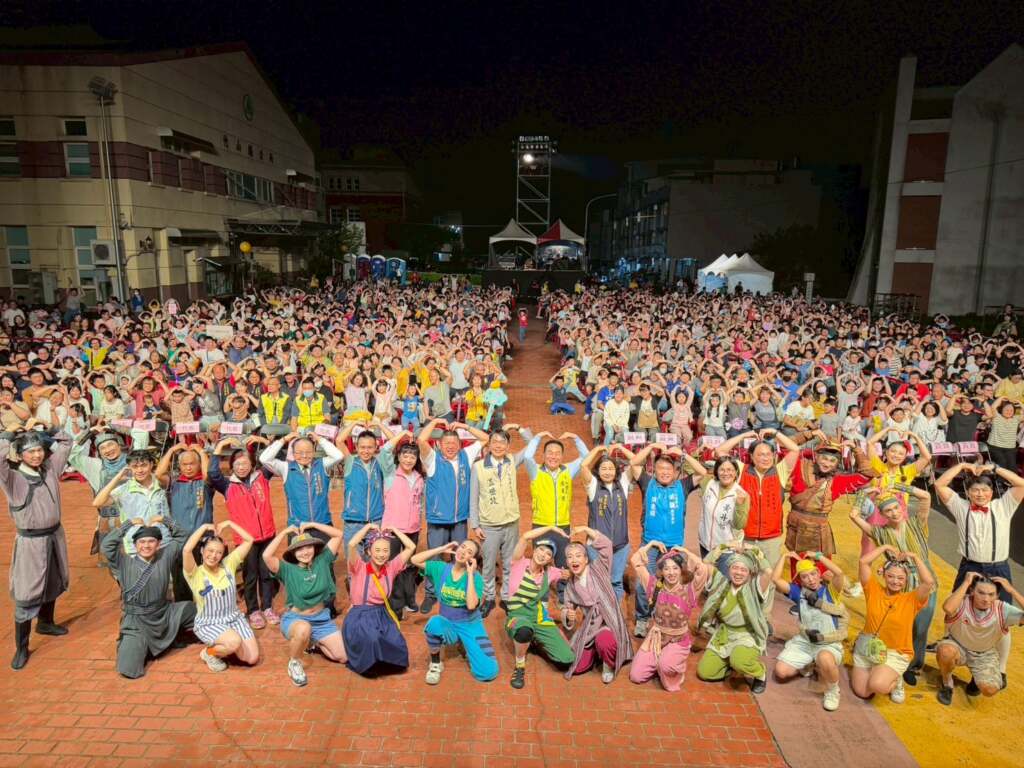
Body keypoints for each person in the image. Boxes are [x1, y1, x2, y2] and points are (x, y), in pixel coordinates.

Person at [934, 461, 1024, 684]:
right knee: (953, 611)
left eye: (985, 490)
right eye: (975, 490)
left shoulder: (1004, 506)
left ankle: (1000, 669)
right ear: (967, 492)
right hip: (970, 567)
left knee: (1001, 620)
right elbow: (940, 484)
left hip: (998, 567)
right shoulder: (961, 506)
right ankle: (950, 648)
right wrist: (963, 465)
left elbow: (1021, 484)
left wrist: (994, 469)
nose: (980, 494)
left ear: (992, 492)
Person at [0, 424, 73, 670]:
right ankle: (21, 647)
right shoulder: (12, 478)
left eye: (39, 450)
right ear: (20, 454)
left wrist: (48, 430)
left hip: (55, 535)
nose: (36, 455)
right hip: (30, 542)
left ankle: (46, 622)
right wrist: (8, 435)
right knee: (27, 591)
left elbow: (66, 443)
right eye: (30, 451)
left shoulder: (50, 469)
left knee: (54, 579)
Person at [849, 486, 936, 686]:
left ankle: (913, 666)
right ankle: (886, 661)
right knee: (896, 623)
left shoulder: (917, 523)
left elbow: (925, 496)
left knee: (921, 626)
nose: (894, 513)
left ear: (902, 507)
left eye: (896, 508)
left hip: (923, 579)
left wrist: (896, 486)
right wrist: (864, 493)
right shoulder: (880, 533)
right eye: (888, 511)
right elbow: (853, 515)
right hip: (899, 581)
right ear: (882, 514)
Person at [101, 516, 196, 679]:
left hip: (164, 614)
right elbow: (106, 546)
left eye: (151, 541)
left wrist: (164, 520)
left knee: (199, 611)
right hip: (137, 622)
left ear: (158, 544)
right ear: (135, 545)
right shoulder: (123, 562)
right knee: (129, 669)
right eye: (142, 542)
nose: (146, 546)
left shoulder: (165, 556)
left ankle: (167, 638)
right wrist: (127, 525)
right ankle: (143, 645)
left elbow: (182, 536)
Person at [629, 443, 707, 637]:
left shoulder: (683, 485)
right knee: (643, 583)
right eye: (660, 468)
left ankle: (667, 615)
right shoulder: (647, 483)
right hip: (650, 544)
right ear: (654, 471)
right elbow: (634, 464)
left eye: (668, 469)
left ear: (674, 471)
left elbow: (702, 472)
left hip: (674, 547)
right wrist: (651, 446)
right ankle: (642, 618)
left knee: (673, 582)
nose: (664, 472)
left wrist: (683, 454)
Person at [262, 523, 348, 687]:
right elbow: (266, 555)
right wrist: (284, 532)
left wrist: (312, 524)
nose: (305, 552)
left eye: (308, 547)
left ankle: (313, 643)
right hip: (297, 619)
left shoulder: (323, 559)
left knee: (343, 656)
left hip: (322, 620)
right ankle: (294, 662)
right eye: (299, 549)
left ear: (314, 548)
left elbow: (338, 534)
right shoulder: (287, 569)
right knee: (303, 629)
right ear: (293, 553)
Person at [207, 438, 280, 629]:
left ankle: (267, 607)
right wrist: (219, 447)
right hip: (246, 541)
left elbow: (272, 457)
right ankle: (253, 610)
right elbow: (212, 473)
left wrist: (264, 442)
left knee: (267, 574)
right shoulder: (227, 486)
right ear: (232, 466)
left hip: (267, 535)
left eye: (245, 463)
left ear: (252, 464)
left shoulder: (262, 477)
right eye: (237, 464)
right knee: (250, 576)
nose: (241, 468)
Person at [418, 419, 488, 613]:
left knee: (461, 556)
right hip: (438, 519)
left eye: (454, 443)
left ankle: (461, 589)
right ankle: (431, 594)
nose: (450, 447)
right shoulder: (432, 459)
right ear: (439, 445)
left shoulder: (466, 455)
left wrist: (465, 427)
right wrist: (435, 422)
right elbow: (421, 440)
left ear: (459, 444)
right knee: (435, 557)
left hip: (460, 519)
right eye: (446, 443)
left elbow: (485, 438)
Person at [851, 544, 934, 704]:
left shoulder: (912, 599)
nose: (895, 581)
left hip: (894, 652)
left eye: (900, 578)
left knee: (877, 685)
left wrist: (915, 557)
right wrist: (884, 547)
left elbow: (928, 582)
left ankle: (896, 680)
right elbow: (863, 562)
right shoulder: (873, 589)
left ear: (906, 580)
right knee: (862, 692)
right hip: (867, 646)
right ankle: (880, 671)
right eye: (891, 576)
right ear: (884, 575)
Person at [412, 538, 498, 684]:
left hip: (470, 625)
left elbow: (471, 605)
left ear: (473, 559)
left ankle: (465, 642)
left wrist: (470, 574)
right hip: (449, 624)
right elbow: (414, 560)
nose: (463, 552)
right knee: (434, 623)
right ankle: (435, 663)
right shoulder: (441, 568)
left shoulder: (476, 578)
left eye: (469, 552)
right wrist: (441, 549)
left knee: (488, 672)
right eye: (462, 547)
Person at [771, 552, 849, 711]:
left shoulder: (831, 591)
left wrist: (819, 556)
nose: (810, 579)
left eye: (813, 574)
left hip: (827, 643)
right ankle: (811, 662)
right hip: (806, 642)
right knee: (781, 672)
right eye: (805, 576)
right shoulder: (798, 593)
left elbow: (839, 573)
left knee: (824, 658)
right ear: (800, 580)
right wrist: (784, 556)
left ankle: (833, 691)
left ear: (819, 575)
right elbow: (775, 579)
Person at [628, 542, 710, 692]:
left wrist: (686, 552)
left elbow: (703, 570)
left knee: (666, 668)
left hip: (678, 640)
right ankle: (660, 661)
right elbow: (635, 561)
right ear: (661, 572)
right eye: (666, 569)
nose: (671, 573)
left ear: (681, 570)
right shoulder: (653, 586)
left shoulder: (690, 590)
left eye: (675, 568)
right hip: (656, 638)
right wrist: (650, 545)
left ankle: (669, 665)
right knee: (636, 676)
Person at [469, 425, 531, 617]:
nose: (498, 445)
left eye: (502, 442)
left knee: (509, 562)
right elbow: (473, 497)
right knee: (488, 564)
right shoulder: (478, 467)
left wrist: (519, 428)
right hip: (489, 525)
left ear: (508, 446)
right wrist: (475, 525)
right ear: (488, 445)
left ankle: (506, 596)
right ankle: (488, 597)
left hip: (511, 523)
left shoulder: (512, 460)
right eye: (494, 442)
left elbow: (532, 445)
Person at [182, 521, 260, 672]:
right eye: (210, 551)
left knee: (252, 658)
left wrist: (230, 523)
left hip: (234, 619)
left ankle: (226, 647)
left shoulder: (228, 564)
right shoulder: (195, 573)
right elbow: (186, 550)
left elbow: (249, 540)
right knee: (233, 642)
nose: (213, 555)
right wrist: (203, 527)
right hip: (209, 623)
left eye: (218, 552)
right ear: (202, 551)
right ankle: (209, 653)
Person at [936, 572, 1024, 705]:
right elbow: (948, 608)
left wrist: (1012, 590)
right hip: (957, 646)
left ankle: (978, 677)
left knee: (990, 690)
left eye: (991, 594)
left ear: (997, 596)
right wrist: (966, 582)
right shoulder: (962, 601)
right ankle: (947, 683)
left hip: (984, 654)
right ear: (972, 591)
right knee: (945, 652)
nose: (986, 599)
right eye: (981, 593)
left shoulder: (1002, 609)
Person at [696, 543, 774, 694]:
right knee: (705, 672)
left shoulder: (754, 587)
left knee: (740, 662)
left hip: (746, 635)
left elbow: (768, 572)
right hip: (724, 635)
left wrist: (755, 551)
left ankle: (760, 673)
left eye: (743, 570)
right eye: (735, 568)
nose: (738, 573)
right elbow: (705, 563)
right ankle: (729, 663)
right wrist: (724, 546)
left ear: (750, 573)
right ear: (729, 569)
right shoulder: (721, 581)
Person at [504, 526, 574, 688]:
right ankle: (520, 665)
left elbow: (570, 573)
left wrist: (569, 573)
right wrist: (551, 528)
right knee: (523, 631)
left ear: (550, 560)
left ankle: (534, 639)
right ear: (535, 549)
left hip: (538, 617)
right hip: (517, 617)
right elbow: (525, 536)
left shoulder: (550, 572)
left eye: (548, 554)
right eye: (541, 549)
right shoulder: (519, 562)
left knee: (567, 659)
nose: (543, 555)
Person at [342, 523, 417, 675]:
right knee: (373, 638)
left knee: (397, 642)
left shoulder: (391, 567)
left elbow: (411, 547)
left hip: (382, 614)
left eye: (385, 550)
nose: (381, 554)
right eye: (377, 550)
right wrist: (367, 527)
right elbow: (351, 544)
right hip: (360, 616)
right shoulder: (359, 566)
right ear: (368, 551)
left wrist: (395, 530)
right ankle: (366, 664)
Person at [562, 526, 634, 683]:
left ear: (586, 559)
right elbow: (567, 608)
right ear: (567, 562)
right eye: (570, 557)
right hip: (590, 627)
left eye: (578, 556)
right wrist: (568, 615)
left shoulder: (599, 568)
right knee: (577, 667)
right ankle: (595, 650)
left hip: (609, 623)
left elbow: (606, 545)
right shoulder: (570, 586)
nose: (574, 560)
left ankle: (608, 664)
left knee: (605, 642)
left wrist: (585, 529)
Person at [785, 436, 872, 559]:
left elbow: (867, 474)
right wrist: (808, 434)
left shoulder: (837, 481)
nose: (827, 464)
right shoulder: (799, 467)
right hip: (795, 527)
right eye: (824, 458)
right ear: (816, 456)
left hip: (818, 531)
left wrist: (856, 449)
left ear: (837, 464)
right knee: (798, 565)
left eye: (832, 461)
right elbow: (785, 448)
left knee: (822, 567)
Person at [156, 443, 213, 602]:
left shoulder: (206, 483)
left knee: (204, 580)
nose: (188, 468)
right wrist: (171, 450)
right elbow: (159, 474)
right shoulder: (174, 483)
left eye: (192, 463)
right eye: (184, 464)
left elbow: (208, 473)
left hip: (202, 540)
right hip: (180, 541)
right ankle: (184, 610)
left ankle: (206, 609)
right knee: (181, 581)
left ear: (199, 464)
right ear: (179, 466)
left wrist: (201, 452)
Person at [377, 430, 425, 615]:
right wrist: (403, 434)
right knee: (393, 567)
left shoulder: (419, 477)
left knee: (409, 566)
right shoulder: (390, 473)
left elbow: (419, 502)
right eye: (405, 456)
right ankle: (395, 605)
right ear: (398, 457)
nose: (408, 460)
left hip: (413, 528)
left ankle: (409, 599)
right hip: (392, 529)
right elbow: (384, 451)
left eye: (412, 456)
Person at [579, 444, 635, 601]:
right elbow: (583, 466)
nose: (608, 472)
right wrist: (597, 450)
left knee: (616, 581)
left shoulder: (623, 483)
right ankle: (599, 612)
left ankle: (614, 612)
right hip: (596, 546)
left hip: (620, 545)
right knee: (598, 580)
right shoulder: (593, 485)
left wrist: (620, 448)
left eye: (611, 468)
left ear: (616, 470)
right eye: (603, 468)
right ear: (598, 470)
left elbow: (636, 461)